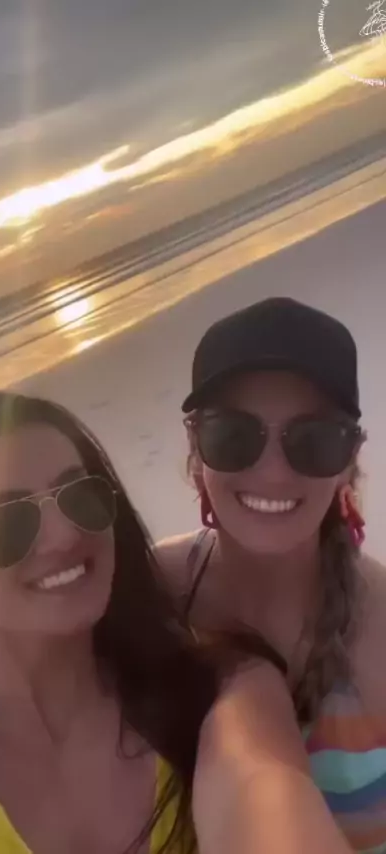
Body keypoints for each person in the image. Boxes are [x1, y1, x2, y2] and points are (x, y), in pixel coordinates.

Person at [0, 389, 354, 854]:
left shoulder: (220, 693)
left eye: (80, 496)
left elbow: (264, 791)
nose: (64, 535)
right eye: (9, 523)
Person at [157, 296, 386, 854]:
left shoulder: (380, 621)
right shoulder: (153, 589)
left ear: (349, 460)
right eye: (234, 435)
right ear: (195, 450)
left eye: (313, 440)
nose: (273, 473)